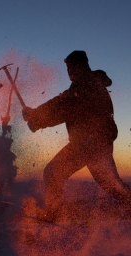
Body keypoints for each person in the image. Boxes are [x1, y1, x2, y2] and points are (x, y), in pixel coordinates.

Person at [22, 50, 131, 222]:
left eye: (71, 67)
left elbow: (63, 106)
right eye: (68, 68)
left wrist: (36, 117)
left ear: (81, 66)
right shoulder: (89, 84)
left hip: (88, 144)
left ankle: (53, 213)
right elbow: (62, 103)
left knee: (53, 172)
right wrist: (36, 116)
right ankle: (129, 205)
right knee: (110, 183)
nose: (69, 72)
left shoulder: (85, 86)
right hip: (96, 143)